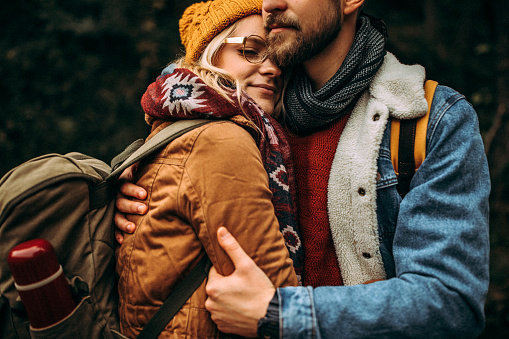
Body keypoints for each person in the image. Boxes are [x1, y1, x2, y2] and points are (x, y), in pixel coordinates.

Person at [116, 0, 491, 338]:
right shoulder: (243, 113)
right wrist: (141, 177)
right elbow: (194, 76)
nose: (270, 3)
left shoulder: (428, 119)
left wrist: (284, 315)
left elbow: (450, 302)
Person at [115, 0, 303, 337]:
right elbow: (276, 295)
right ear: (210, 53)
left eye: (278, 57)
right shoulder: (221, 138)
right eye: (251, 50)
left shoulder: (179, 124)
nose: (273, 68)